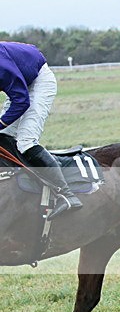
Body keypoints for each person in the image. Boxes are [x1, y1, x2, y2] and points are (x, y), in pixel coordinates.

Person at [1, 41, 82, 218]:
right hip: (19, 84)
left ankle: (66, 194)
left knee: (25, 141)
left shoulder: (1, 66)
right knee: (2, 138)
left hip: (38, 82)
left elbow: (22, 101)